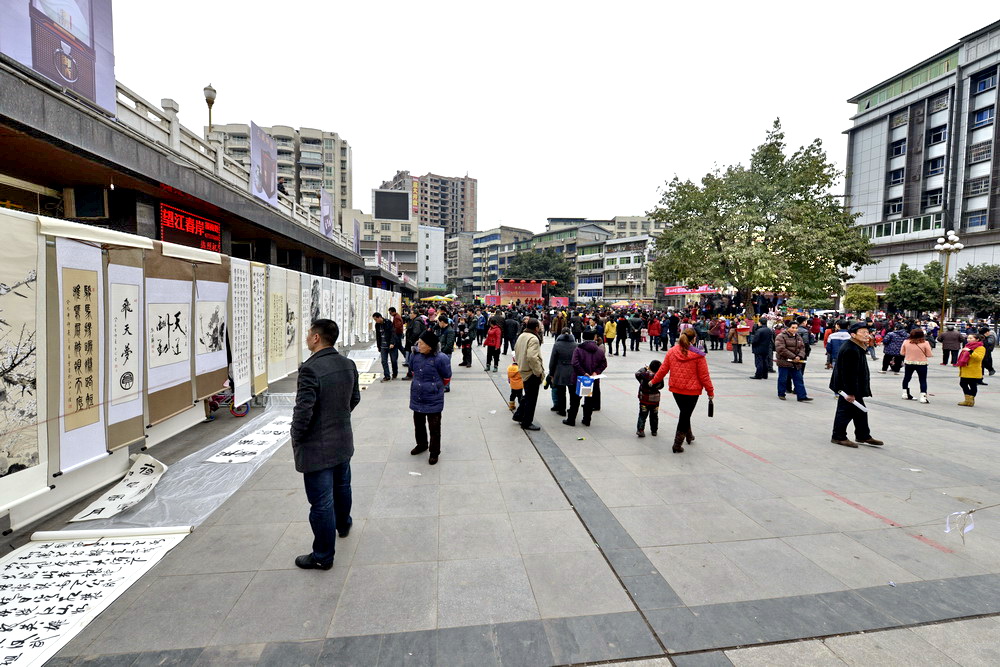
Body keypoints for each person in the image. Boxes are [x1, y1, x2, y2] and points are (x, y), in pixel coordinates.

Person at [290, 319, 360, 570]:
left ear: (316, 337)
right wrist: (339, 417)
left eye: (309, 334)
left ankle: (322, 555)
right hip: (342, 440)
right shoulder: (347, 364)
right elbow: (354, 398)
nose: (307, 338)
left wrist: (297, 435)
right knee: (342, 486)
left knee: (321, 503)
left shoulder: (310, 369)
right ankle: (344, 524)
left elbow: (303, 410)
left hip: (317, 446)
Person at [649, 328, 715, 453]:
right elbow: (704, 376)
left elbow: (663, 369)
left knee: (685, 413)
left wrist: (654, 380)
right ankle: (677, 444)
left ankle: (689, 435)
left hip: (676, 390)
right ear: (693, 339)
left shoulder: (672, 351)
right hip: (692, 391)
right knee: (685, 415)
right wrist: (710, 391)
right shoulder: (699, 355)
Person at [830, 322, 884, 448]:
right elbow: (848, 373)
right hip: (847, 388)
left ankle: (863, 435)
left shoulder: (857, 346)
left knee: (860, 411)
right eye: (863, 332)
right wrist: (850, 393)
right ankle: (838, 436)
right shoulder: (851, 349)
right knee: (844, 412)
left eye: (867, 332)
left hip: (853, 387)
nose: (866, 335)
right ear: (853, 335)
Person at [408, 330, 452, 464]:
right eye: (418, 343)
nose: (418, 346)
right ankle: (421, 444)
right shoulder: (415, 355)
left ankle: (434, 452)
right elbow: (413, 371)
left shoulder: (441, 358)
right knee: (418, 424)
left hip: (433, 398)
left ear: (430, 346)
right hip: (417, 396)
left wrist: (435, 387)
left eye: (421, 343)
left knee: (434, 427)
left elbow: (446, 377)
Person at [564, 330, 607, 427]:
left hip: (578, 379)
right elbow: (604, 364)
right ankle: (587, 420)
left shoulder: (578, 349)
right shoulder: (599, 351)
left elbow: (574, 363)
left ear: (583, 337)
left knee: (575, 400)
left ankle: (571, 420)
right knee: (589, 401)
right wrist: (596, 372)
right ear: (594, 338)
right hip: (592, 380)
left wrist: (583, 373)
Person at [512, 319, 545, 430]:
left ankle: (518, 415)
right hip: (531, 372)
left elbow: (516, 350)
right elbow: (532, 357)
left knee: (527, 395)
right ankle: (527, 422)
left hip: (523, 369)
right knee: (531, 399)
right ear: (536, 327)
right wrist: (538, 371)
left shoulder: (522, 335)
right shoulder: (533, 339)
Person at [775, 321, 811, 402]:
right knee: (783, 379)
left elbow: (802, 348)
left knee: (799, 379)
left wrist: (799, 356)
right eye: (793, 328)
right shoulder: (781, 336)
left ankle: (802, 396)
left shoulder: (798, 337)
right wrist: (793, 356)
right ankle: (781, 394)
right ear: (788, 328)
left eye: (796, 328)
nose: (794, 330)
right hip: (784, 362)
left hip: (796, 362)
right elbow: (781, 349)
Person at [548, 329, 577, 416]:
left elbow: (552, 360)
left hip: (560, 371)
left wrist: (551, 373)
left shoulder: (557, 345)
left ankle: (562, 410)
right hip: (573, 371)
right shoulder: (576, 345)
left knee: (561, 392)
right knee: (573, 393)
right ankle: (572, 410)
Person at [900, 328, 933, 403]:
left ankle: (905, 393)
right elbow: (929, 354)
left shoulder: (906, 342)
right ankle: (923, 397)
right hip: (921, 363)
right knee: (922, 380)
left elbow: (902, 353)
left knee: (907, 378)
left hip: (909, 362)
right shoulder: (925, 343)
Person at [635, 360, 664, 438]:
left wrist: (645, 368)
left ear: (650, 367)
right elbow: (661, 386)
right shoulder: (659, 377)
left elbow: (637, 373)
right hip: (655, 400)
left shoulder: (643, 375)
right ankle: (654, 431)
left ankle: (640, 430)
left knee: (642, 415)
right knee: (654, 415)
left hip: (644, 400)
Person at [957, 332, 986, 407]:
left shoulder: (981, 348)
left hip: (973, 369)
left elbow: (979, 358)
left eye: (971, 338)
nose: (968, 339)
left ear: (977, 339)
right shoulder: (967, 346)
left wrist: (970, 351)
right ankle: (968, 400)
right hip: (965, 368)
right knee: (963, 383)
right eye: (968, 338)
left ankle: (969, 400)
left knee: (972, 385)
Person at [372, 312, 397, 382]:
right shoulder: (377, 325)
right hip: (382, 346)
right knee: (384, 361)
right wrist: (378, 346)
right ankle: (387, 375)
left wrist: (392, 343)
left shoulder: (388, 322)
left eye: (376, 319)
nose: (376, 321)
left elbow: (393, 333)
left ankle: (395, 373)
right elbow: (378, 336)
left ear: (380, 317)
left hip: (390, 345)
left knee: (393, 360)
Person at [436, 315, 456, 391]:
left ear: (442, 322)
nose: (438, 324)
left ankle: (446, 386)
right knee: (440, 370)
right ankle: (442, 385)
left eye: (439, 322)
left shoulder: (450, 331)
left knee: (445, 370)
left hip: (446, 353)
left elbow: (449, 344)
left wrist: (442, 352)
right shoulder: (441, 329)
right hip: (441, 352)